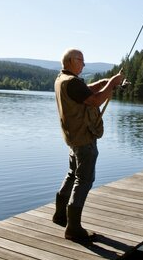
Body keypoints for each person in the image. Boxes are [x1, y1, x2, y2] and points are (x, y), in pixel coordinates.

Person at [52, 48, 125, 242]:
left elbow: (84, 91)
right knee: (84, 180)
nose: (84, 64)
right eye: (81, 60)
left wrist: (103, 83)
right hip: (83, 139)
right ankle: (73, 228)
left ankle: (60, 215)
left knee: (72, 174)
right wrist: (112, 83)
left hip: (72, 137)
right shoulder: (72, 82)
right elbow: (95, 101)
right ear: (71, 61)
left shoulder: (62, 79)